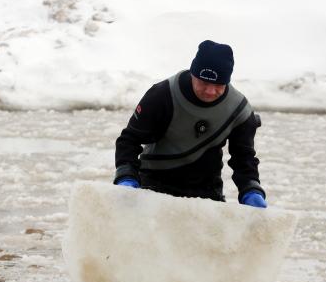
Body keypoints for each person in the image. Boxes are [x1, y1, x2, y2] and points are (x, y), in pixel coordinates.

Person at [114, 40, 267, 208]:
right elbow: (129, 139)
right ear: (193, 73)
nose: (210, 91)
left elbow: (243, 158)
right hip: (153, 185)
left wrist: (251, 189)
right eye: (204, 82)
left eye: (218, 85)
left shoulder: (239, 110)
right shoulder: (162, 95)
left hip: (206, 193)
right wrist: (126, 175)